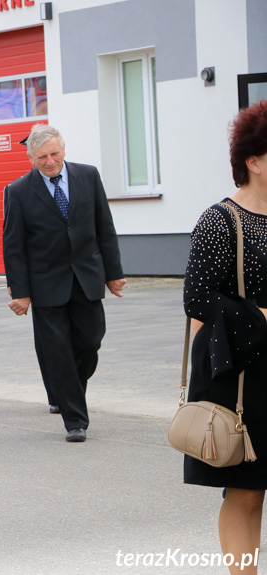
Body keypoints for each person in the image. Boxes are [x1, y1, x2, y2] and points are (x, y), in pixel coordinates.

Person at [183, 101, 267, 574]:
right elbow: (196, 299)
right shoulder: (221, 220)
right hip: (241, 374)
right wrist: (260, 316)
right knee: (248, 491)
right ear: (252, 162)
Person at [3, 124, 125, 443]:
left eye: (54, 154)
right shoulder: (17, 191)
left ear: (64, 150)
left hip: (86, 277)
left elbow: (105, 228)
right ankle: (75, 419)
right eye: (41, 156)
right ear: (31, 157)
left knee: (90, 341)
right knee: (57, 351)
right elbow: (13, 246)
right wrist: (21, 292)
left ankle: (69, 388)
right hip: (45, 285)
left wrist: (114, 273)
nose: (49, 161)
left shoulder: (88, 176)